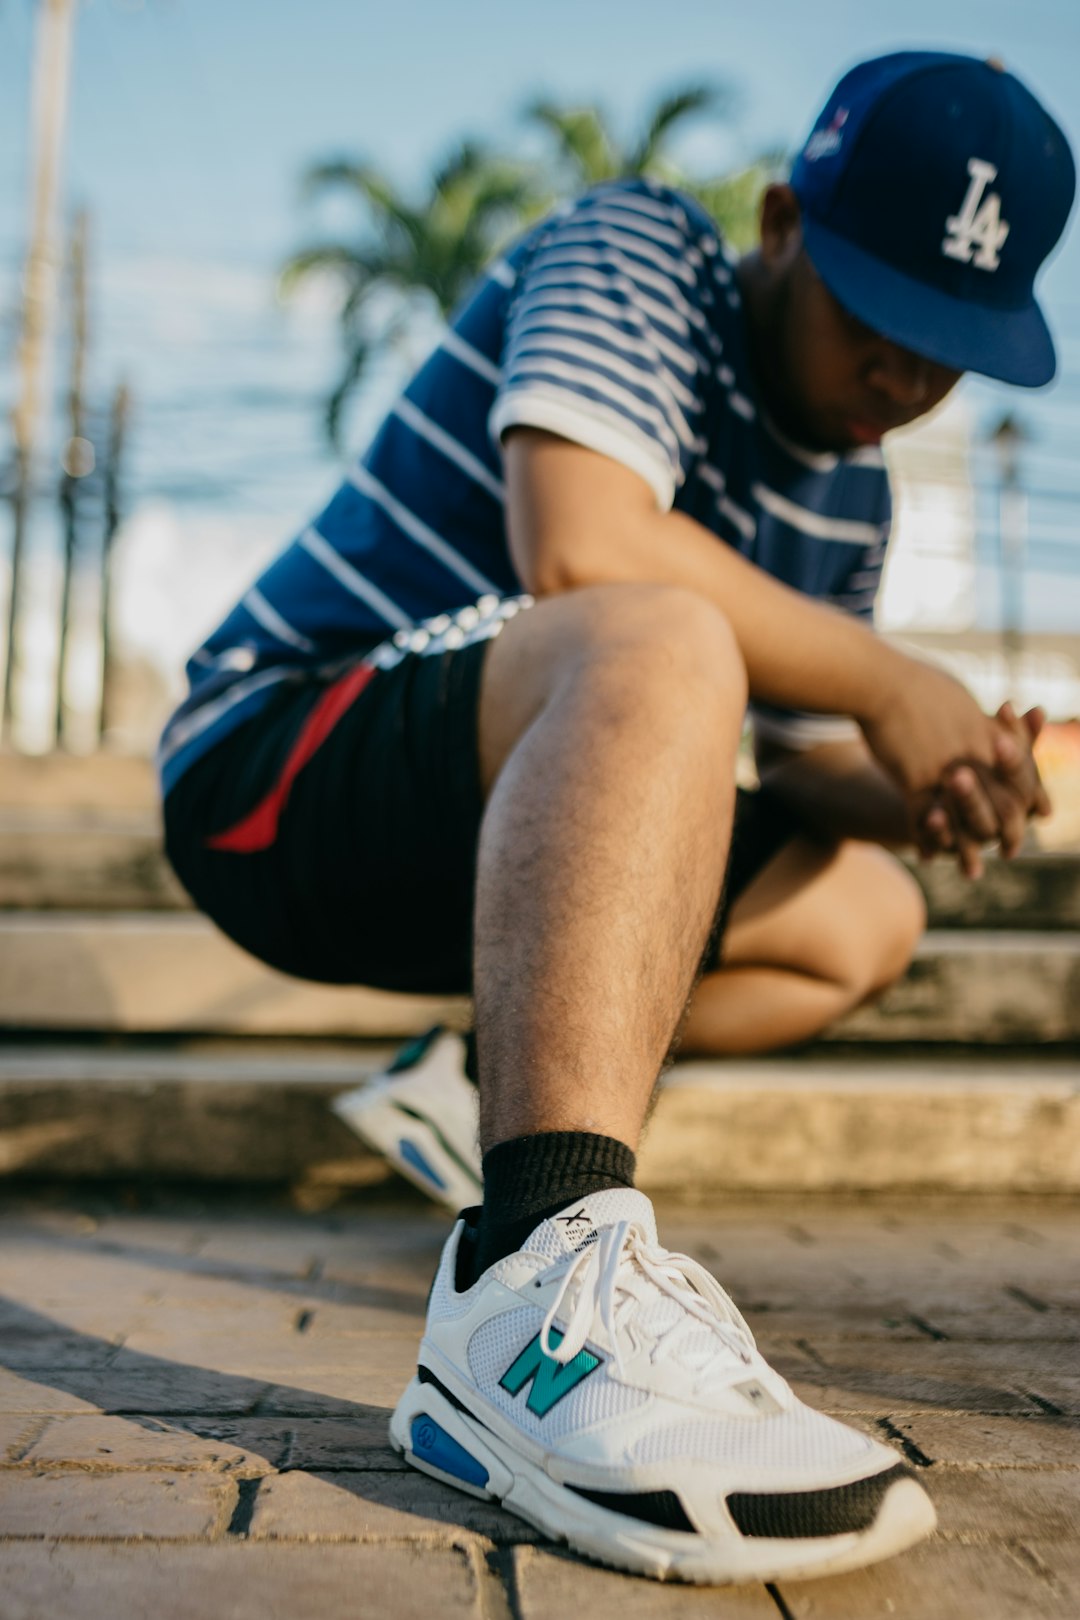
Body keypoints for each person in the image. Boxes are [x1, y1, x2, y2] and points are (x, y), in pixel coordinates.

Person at [160, 50, 1074, 1585]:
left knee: (866, 912)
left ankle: (473, 1081)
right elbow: (581, 550)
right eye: (881, 320)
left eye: (950, 349)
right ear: (782, 220)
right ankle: (529, 1276)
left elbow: (767, 770)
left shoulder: (851, 494)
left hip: (521, 822)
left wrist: (928, 783)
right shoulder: (637, 244)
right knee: (660, 629)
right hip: (280, 761)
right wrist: (887, 674)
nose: (906, 382)